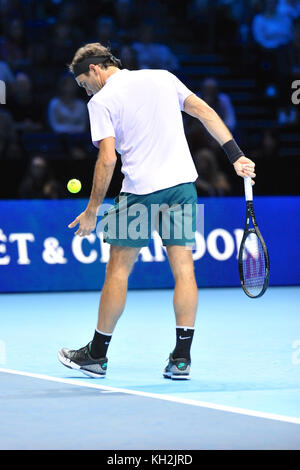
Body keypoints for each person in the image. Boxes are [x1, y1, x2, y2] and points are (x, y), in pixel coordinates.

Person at [57, 42, 255, 380]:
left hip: (140, 193)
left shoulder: (101, 101)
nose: (85, 91)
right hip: (182, 188)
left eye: (82, 84)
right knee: (184, 270)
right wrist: (236, 155)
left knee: (118, 272)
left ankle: (96, 355)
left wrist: (92, 210)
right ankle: (181, 359)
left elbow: (107, 158)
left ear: (94, 69)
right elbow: (205, 112)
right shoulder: (164, 77)